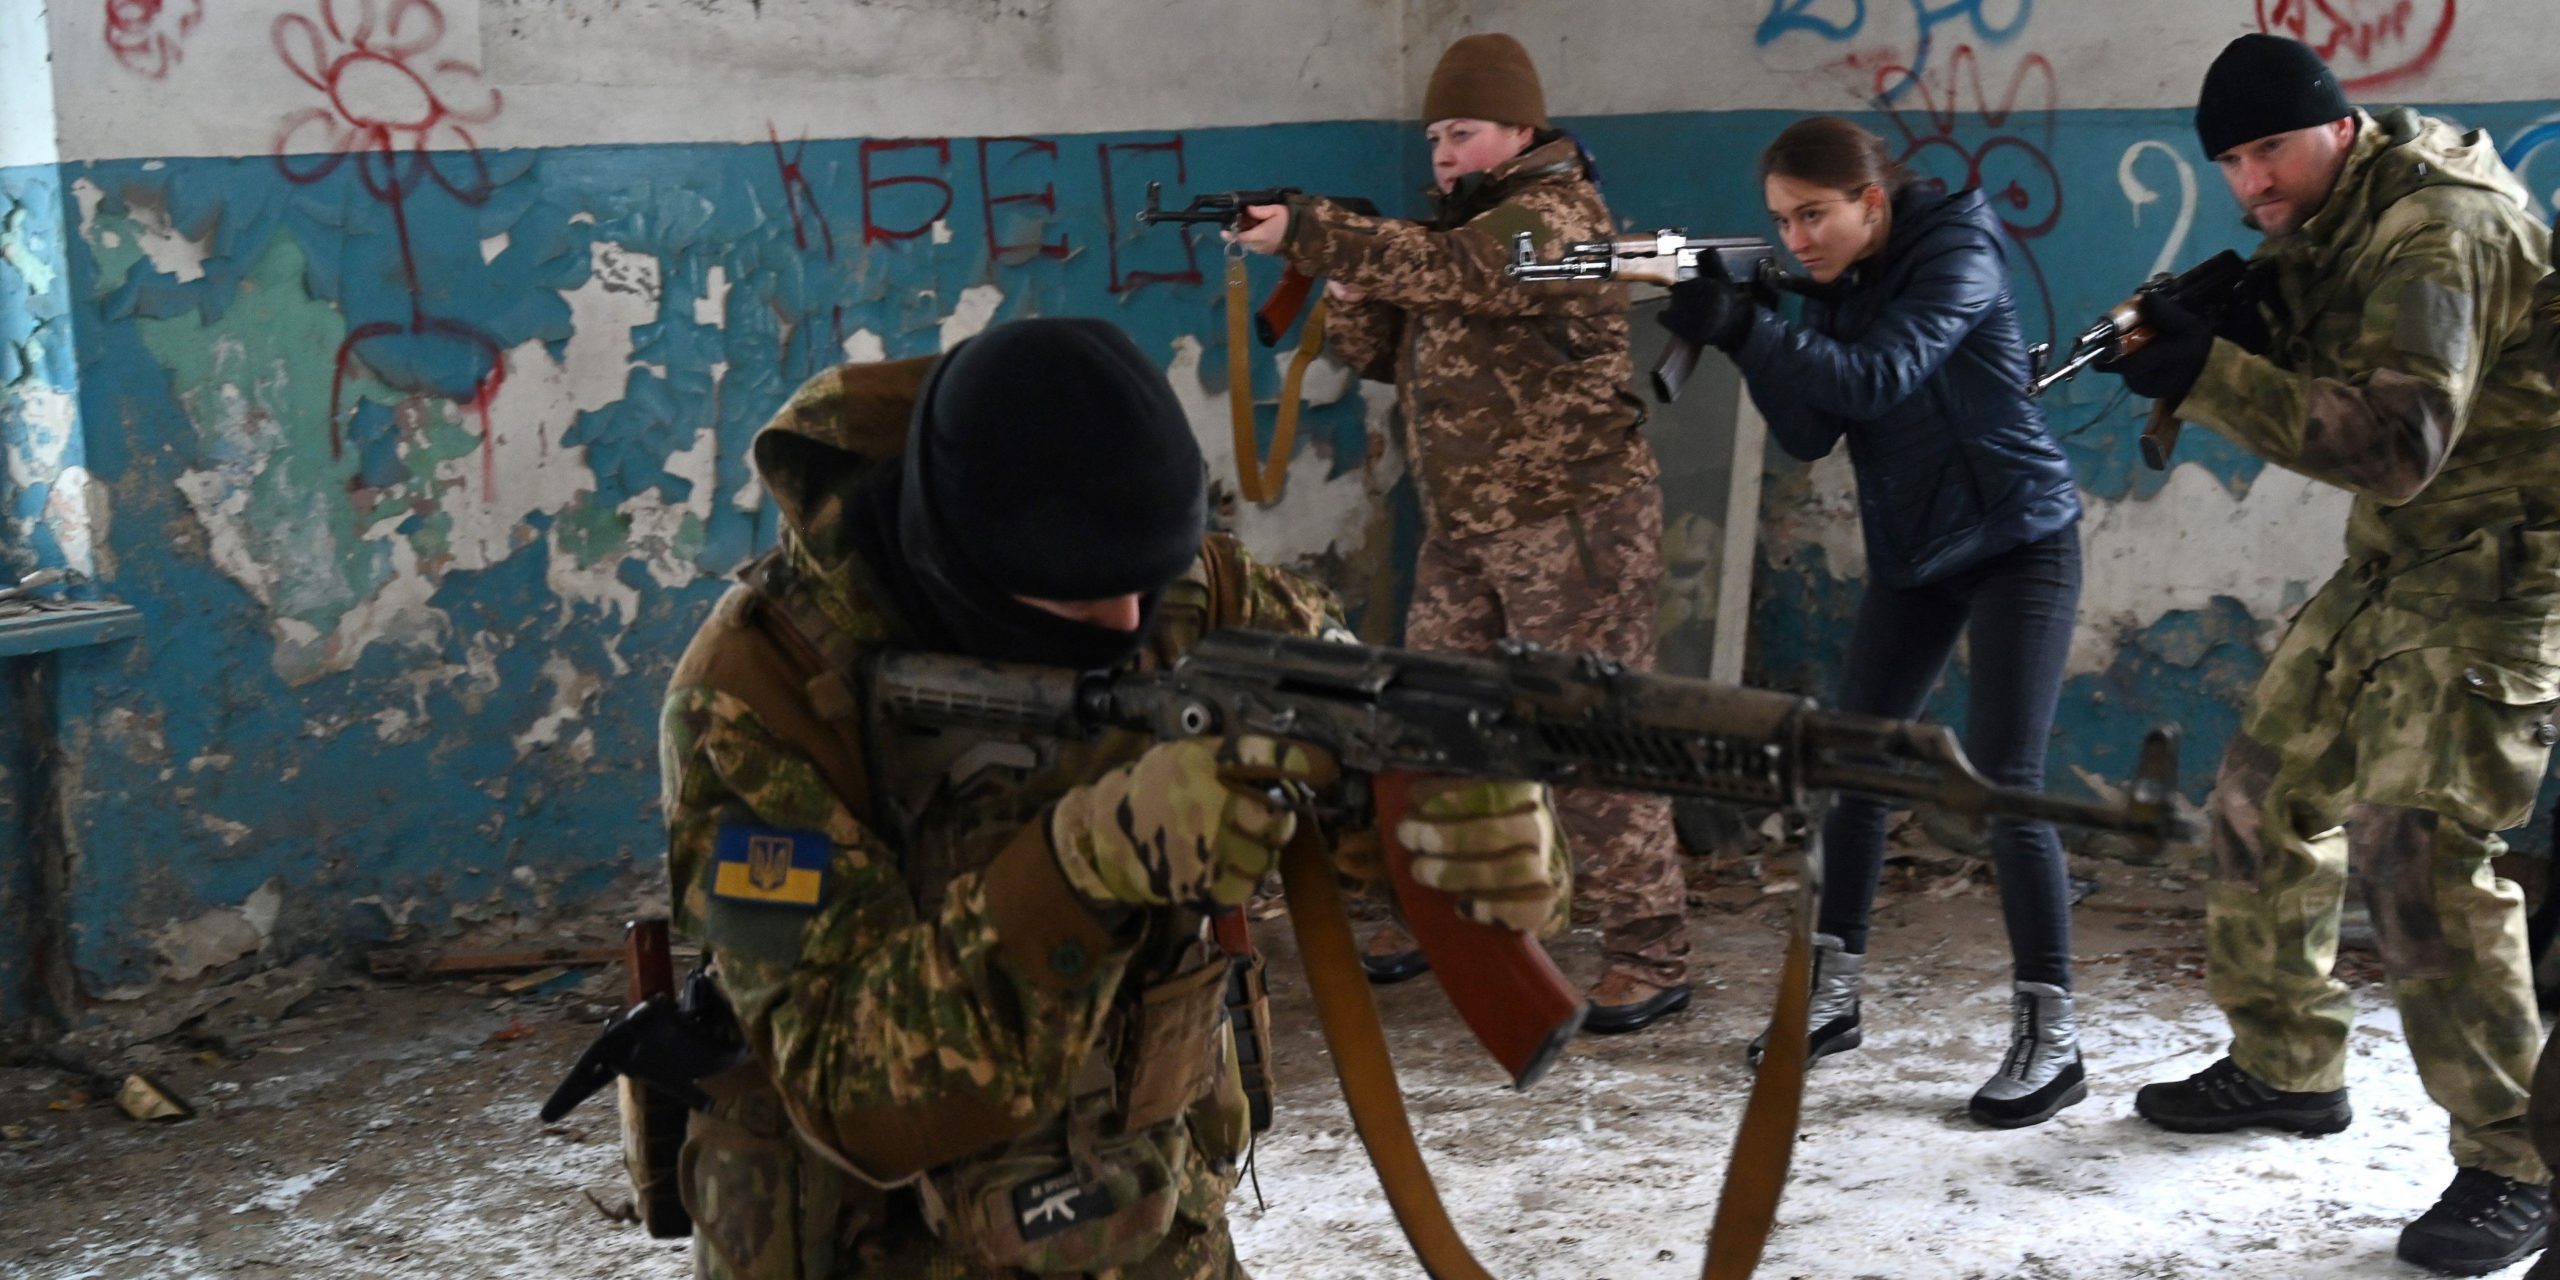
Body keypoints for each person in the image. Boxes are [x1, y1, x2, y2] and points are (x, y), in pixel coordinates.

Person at [656, 317, 1568, 1278]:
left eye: (1147, 578)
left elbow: (1358, 753)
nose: (1131, 623)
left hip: (1148, 1223)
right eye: (1079, 595)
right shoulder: (758, 693)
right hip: (872, 1246)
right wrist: (1083, 866)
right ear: (956, 561)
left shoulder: (1196, 593)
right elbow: (851, 1094)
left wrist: (1461, 828)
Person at [2094, 34, 2560, 1277]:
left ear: (2337, 125)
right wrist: (2250, 319)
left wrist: (2215, 374)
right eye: (2231, 162)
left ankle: (2523, 1158)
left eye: (2268, 149)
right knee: (2261, 792)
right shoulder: (2341, 214)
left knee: (2422, 850)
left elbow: (2401, 440)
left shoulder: (2439, 229)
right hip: (2400, 562)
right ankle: (2287, 1062)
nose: (2251, 182)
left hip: (2504, 569)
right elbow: (2351, 383)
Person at [1225, 32, 1693, 1034]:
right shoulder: (1461, 232)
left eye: (1464, 131)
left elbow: (1459, 272)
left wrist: (1319, 237)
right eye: (1435, 134)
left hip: (1571, 522)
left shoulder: (1554, 218)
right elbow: (1395, 352)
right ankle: (1451, 917)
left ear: (1520, 130)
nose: (1442, 151)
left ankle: (1649, 948)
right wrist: (1352, 289)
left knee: (1587, 730)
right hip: (1468, 526)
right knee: (1431, 730)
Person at [1655, 115, 2088, 1128]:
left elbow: (1881, 376)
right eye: (1780, 221)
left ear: (1872, 203)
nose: (1798, 238)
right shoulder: (1837, 286)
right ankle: (1831, 996)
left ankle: (2051, 1033)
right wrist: (1750, 324)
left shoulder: (1956, 252)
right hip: (1917, 556)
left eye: (1815, 215)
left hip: (2018, 537)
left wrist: (1752, 326)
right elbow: (1810, 430)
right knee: (1848, 765)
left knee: (2001, 783)